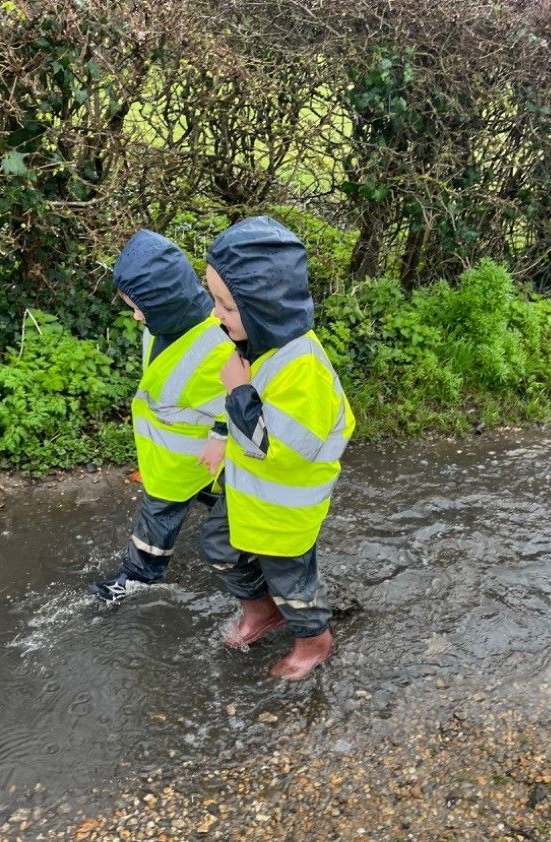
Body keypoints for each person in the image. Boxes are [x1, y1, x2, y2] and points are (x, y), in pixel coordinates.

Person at [200, 216, 355, 680]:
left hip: (285, 510)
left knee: (293, 581)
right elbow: (247, 428)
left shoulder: (303, 368)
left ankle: (313, 640)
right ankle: (262, 611)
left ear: (263, 306)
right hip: (251, 495)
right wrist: (224, 431)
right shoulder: (259, 344)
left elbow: (277, 448)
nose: (214, 316)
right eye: (215, 301)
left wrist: (238, 393)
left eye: (226, 306)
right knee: (218, 546)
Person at [89, 230, 235, 602]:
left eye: (139, 306)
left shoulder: (219, 343)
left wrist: (220, 436)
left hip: (199, 459)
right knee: (211, 506)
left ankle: (137, 577)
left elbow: (242, 397)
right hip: (178, 460)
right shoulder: (162, 326)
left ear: (166, 301)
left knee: (163, 516)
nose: (136, 316)